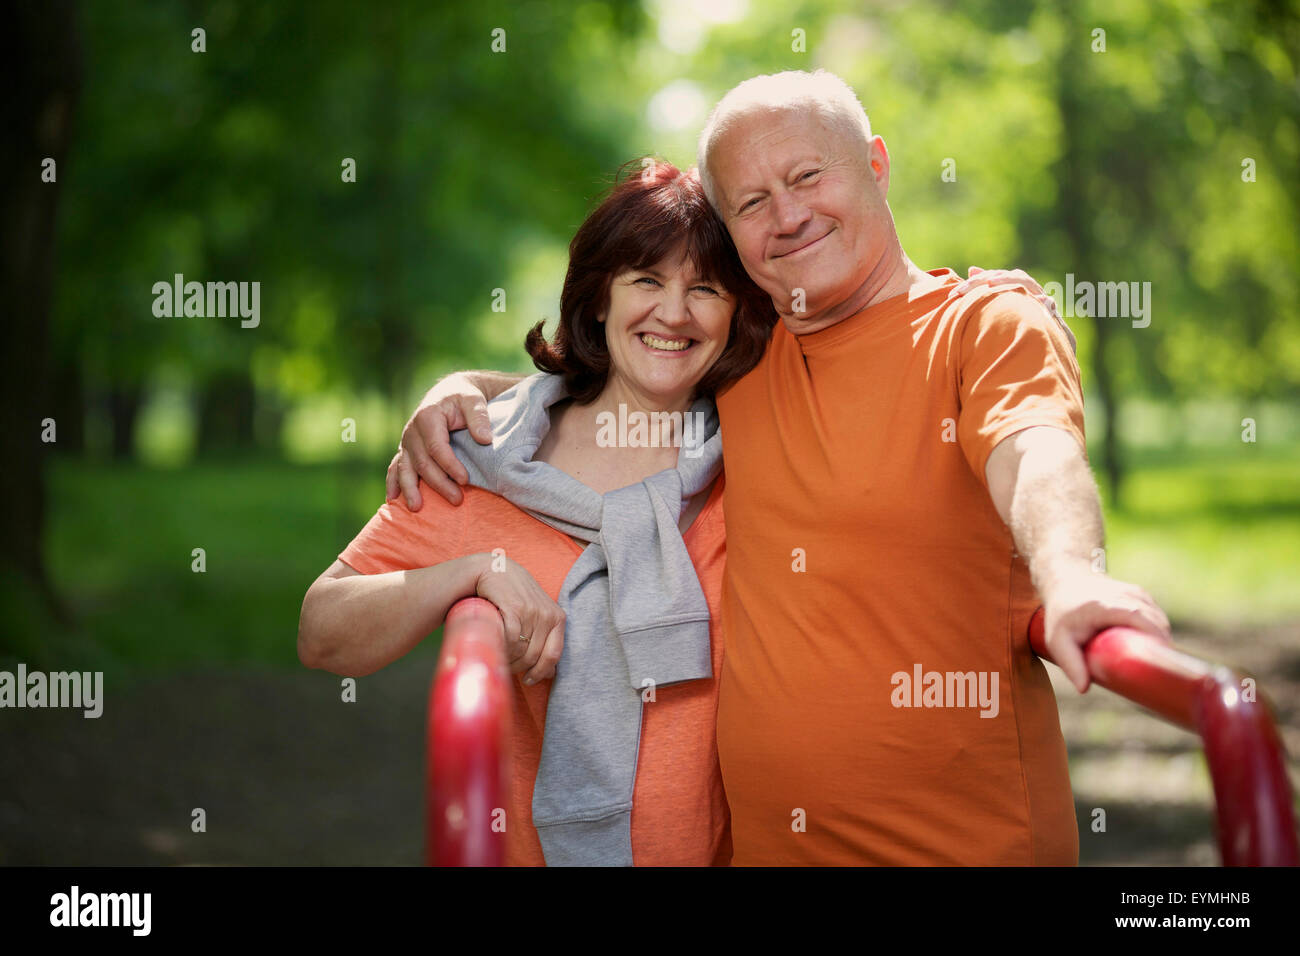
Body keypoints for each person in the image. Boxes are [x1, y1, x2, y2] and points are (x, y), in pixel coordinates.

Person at [388, 70, 1172, 865]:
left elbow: (1035, 451)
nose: (788, 215)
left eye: (807, 176)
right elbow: (604, 372)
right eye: (751, 203)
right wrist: (459, 389)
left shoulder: (984, 326)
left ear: (876, 164)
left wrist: (1074, 576)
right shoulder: (741, 353)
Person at [298, 159, 776, 866]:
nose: (674, 313)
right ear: (599, 300)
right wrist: (470, 574)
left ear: (734, 312)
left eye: (704, 289)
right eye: (645, 280)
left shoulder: (757, 456)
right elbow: (322, 631)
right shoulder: (484, 458)